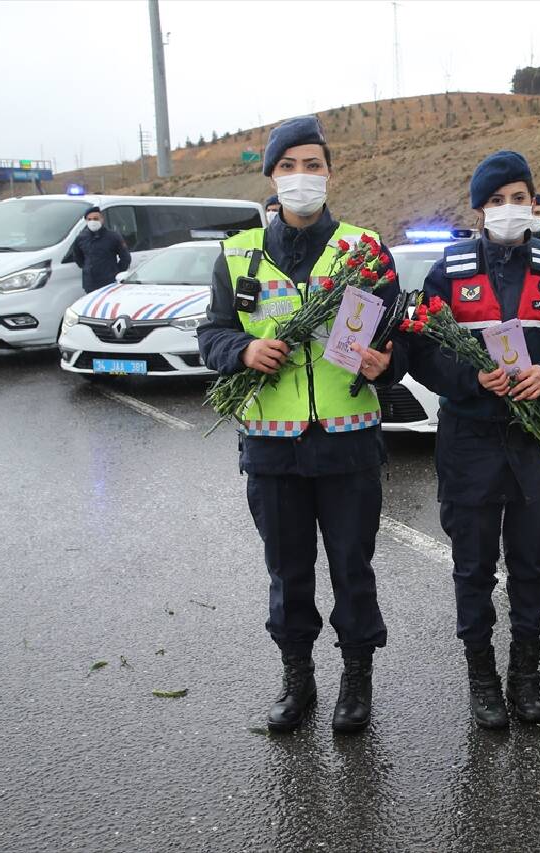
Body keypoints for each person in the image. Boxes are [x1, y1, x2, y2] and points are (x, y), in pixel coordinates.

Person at [196, 116, 405, 734]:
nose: (301, 177)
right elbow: (211, 334)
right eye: (288, 167)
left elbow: (400, 335)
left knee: (352, 567)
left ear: (329, 173)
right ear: (271, 177)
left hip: (348, 446)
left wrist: (387, 360)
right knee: (288, 573)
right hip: (271, 448)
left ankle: (356, 680)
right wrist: (242, 353)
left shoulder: (363, 248)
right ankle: (297, 680)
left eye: (312, 164)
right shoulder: (239, 254)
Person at [408, 150, 540, 729]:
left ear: (534, 204)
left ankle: (526, 675)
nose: (509, 209)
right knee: (472, 567)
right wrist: (470, 378)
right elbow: (422, 352)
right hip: (470, 442)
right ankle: (482, 679)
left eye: (519, 198)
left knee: (532, 566)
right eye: (497, 200)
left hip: (538, 447)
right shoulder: (449, 272)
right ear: (479, 210)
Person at [71, 206, 130, 292]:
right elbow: (77, 256)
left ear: (102, 219)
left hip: (109, 283)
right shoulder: (81, 238)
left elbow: (125, 257)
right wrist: (87, 268)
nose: (92, 222)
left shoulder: (113, 236)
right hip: (90, 283)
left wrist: (117, 272)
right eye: (89, 219)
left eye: (95, 218)